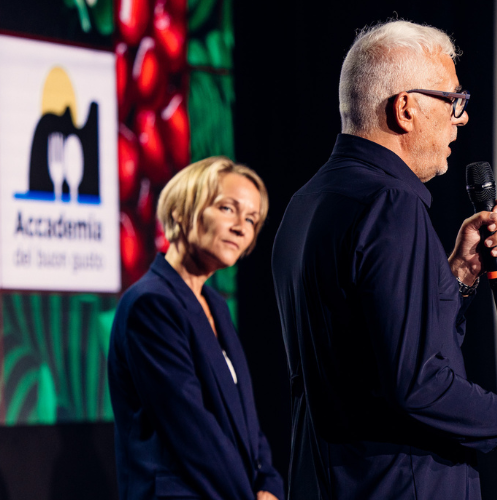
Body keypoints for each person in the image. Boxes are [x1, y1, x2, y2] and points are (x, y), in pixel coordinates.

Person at [272, 20, 497, 500]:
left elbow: (370, 351)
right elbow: (418, 383)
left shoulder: (304, 203)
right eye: (453, 100)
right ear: (406, 108)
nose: (461, 118)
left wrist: (456, 276)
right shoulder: (392, 202)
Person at [109, 156, 284, 500]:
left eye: (251, 219)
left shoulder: (216, 306)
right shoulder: (151, 304)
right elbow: (190, 429)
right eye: (227, 208)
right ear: (181, 211)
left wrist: (269, 484)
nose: (241, 227)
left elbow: (246, 421)